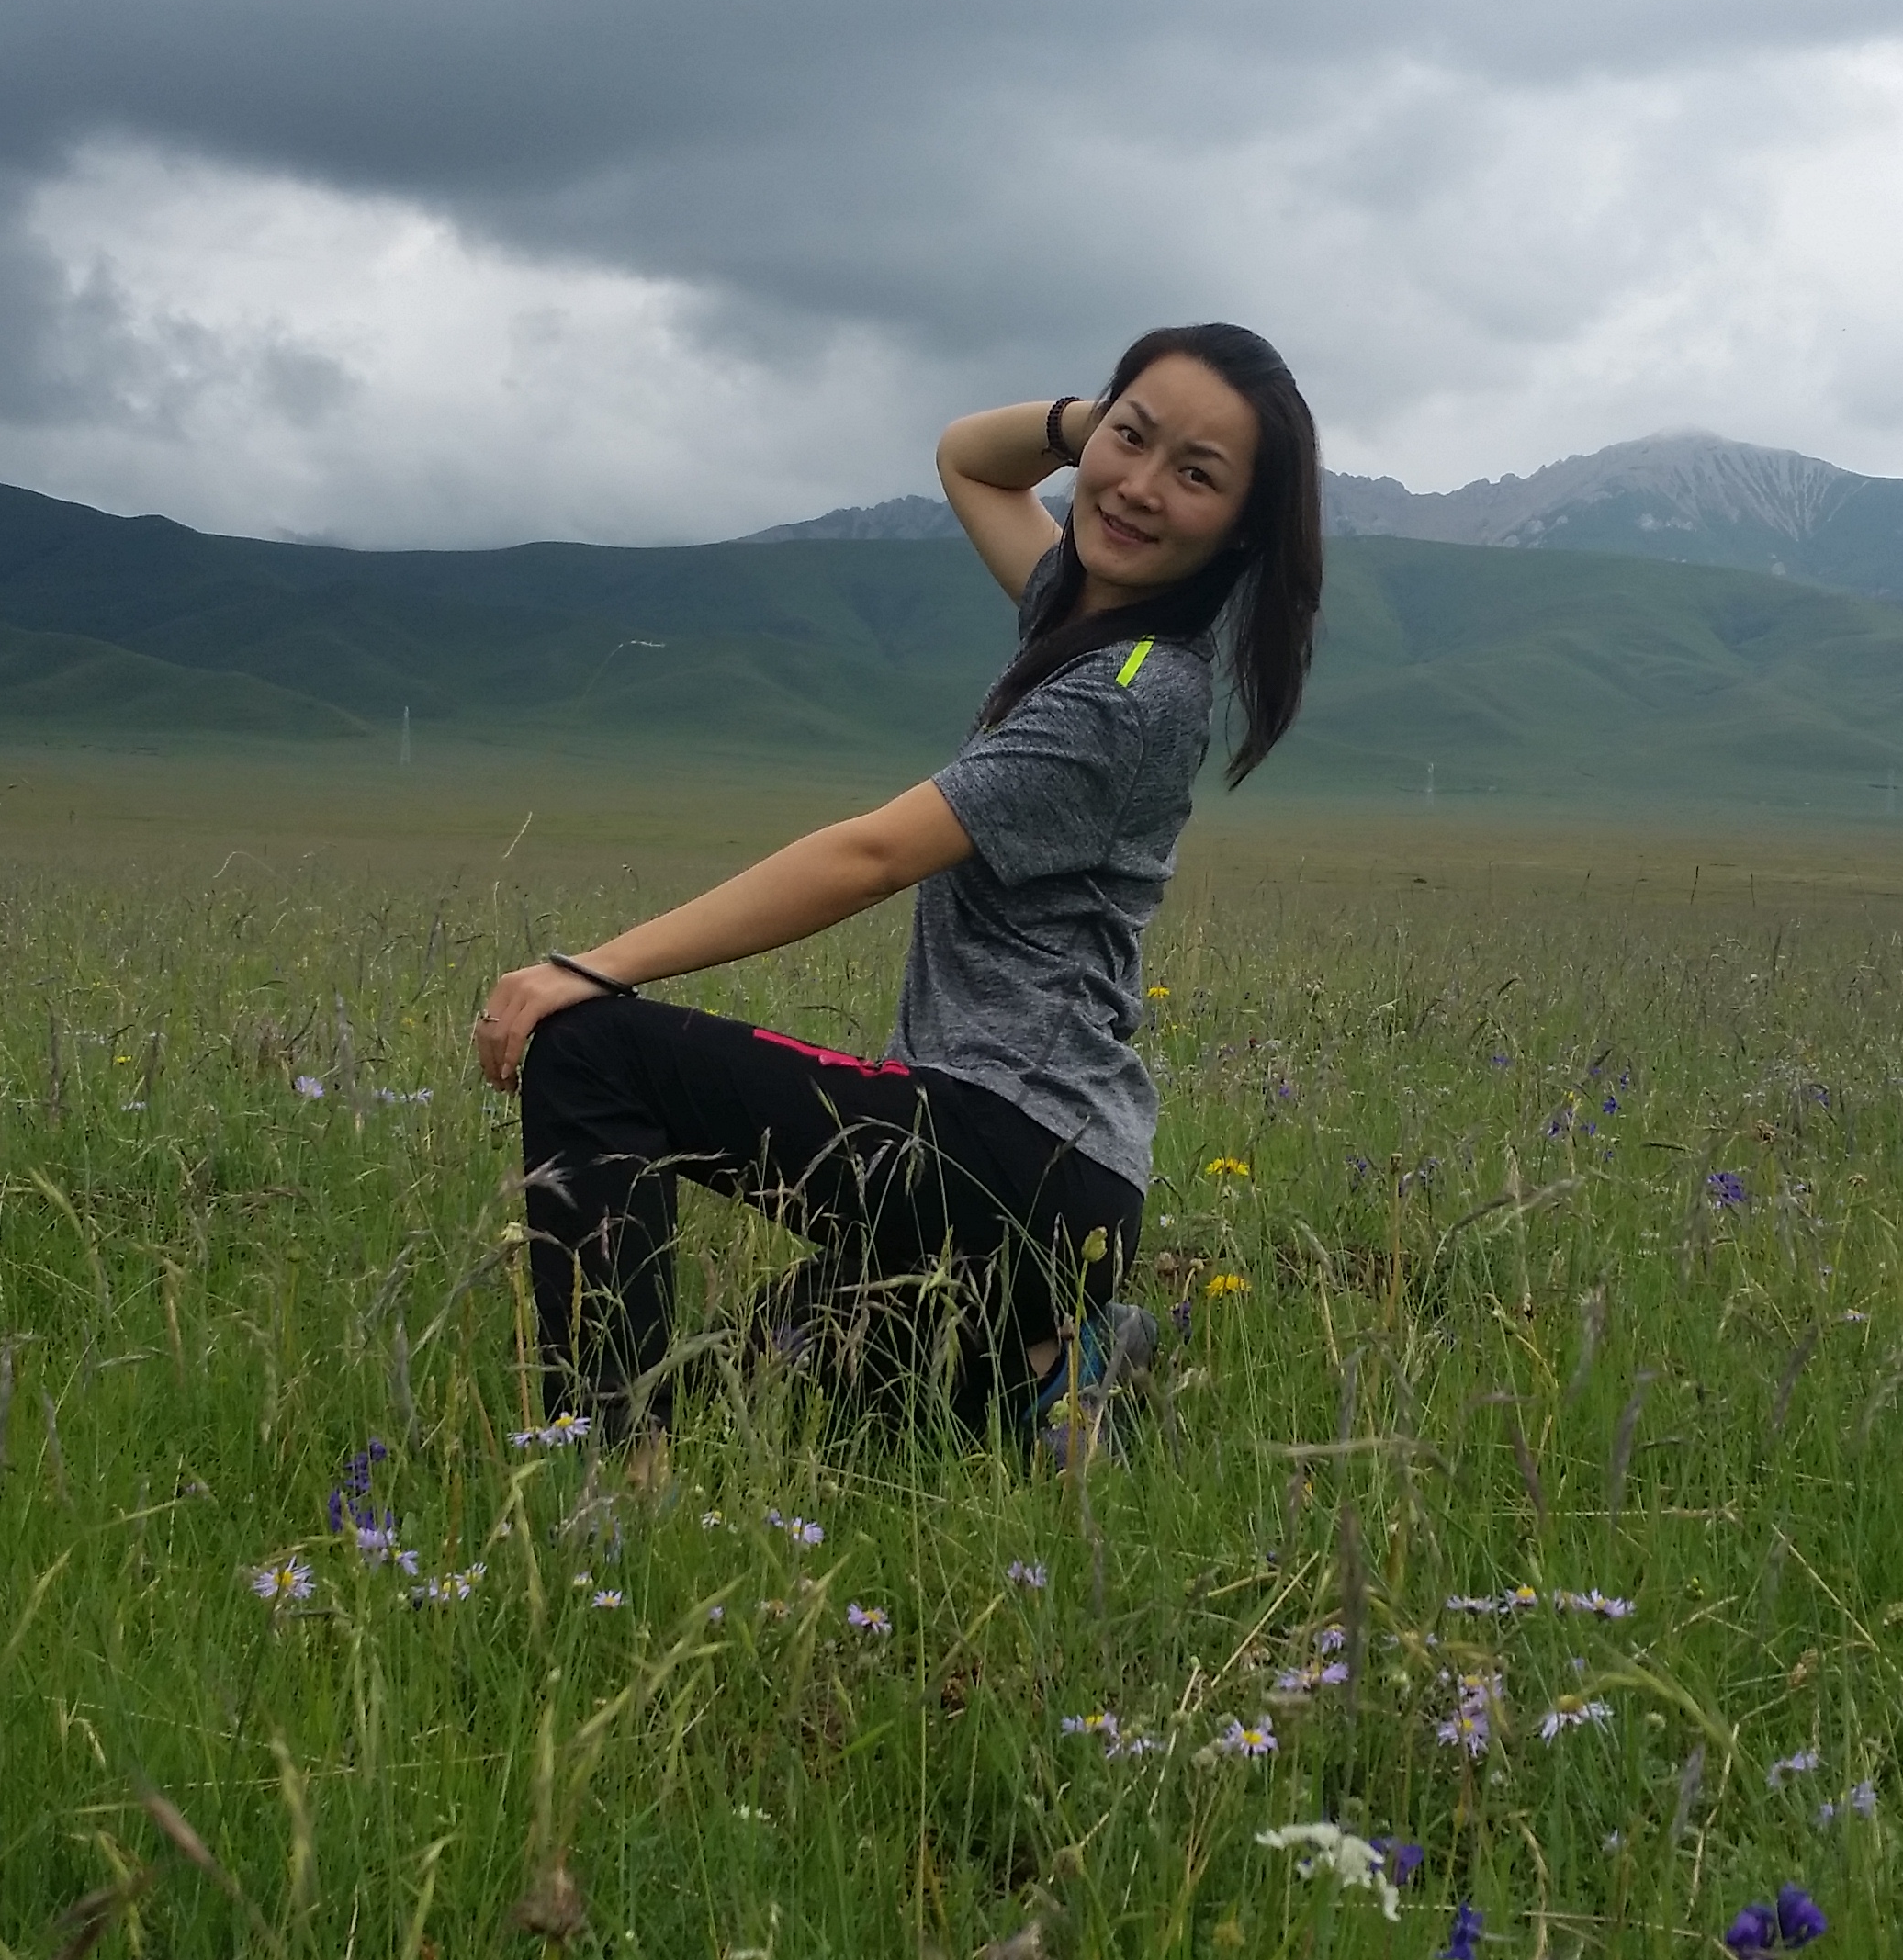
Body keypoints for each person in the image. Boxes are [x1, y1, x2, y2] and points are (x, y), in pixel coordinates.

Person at [470, 322, 1326, 1447]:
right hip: (1040, 1191)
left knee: (591, 1048)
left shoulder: (1125, 690)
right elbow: (968, 457)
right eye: (1132, 438)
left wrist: (592, 967)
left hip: (1007, 1152)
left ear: (1239, 533)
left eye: (1196, 476)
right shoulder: (1080, 614)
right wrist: (1090, 428)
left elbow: (867, 857)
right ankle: (1052, 1359)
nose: (1139, 487)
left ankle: (607, 1466)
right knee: (759, 1399)